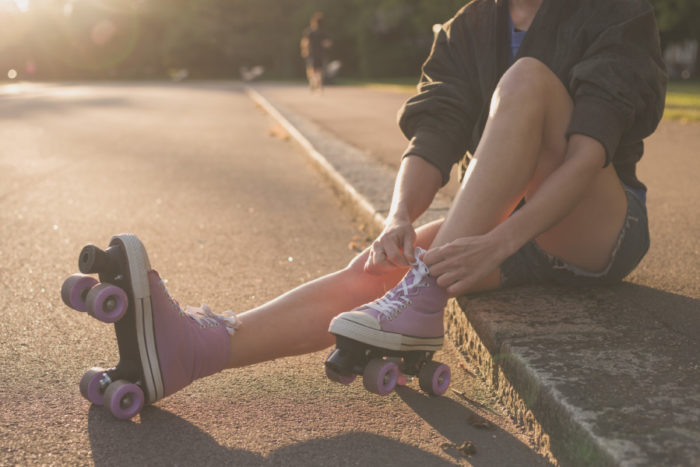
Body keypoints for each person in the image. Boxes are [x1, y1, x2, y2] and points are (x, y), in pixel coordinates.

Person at [73, 0, 666, 417]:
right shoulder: (469, 26)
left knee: (528, 80)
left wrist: (498, 242)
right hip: (514, 224)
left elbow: (588, 155)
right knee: (385, 270)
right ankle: (196, 350)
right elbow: (433, 135)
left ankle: (424, 292)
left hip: (598, 227)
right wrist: (399, 219)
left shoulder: (614, 8)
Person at [300, 12, 332, 92]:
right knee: (319, 70)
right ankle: (318, 82)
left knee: (311, 69)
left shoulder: (309, 32)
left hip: (312, 53)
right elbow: (327, 43)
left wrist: (304, 50)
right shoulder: (323, 32)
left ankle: (313, 81)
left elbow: (305, 42)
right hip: (320, 54)